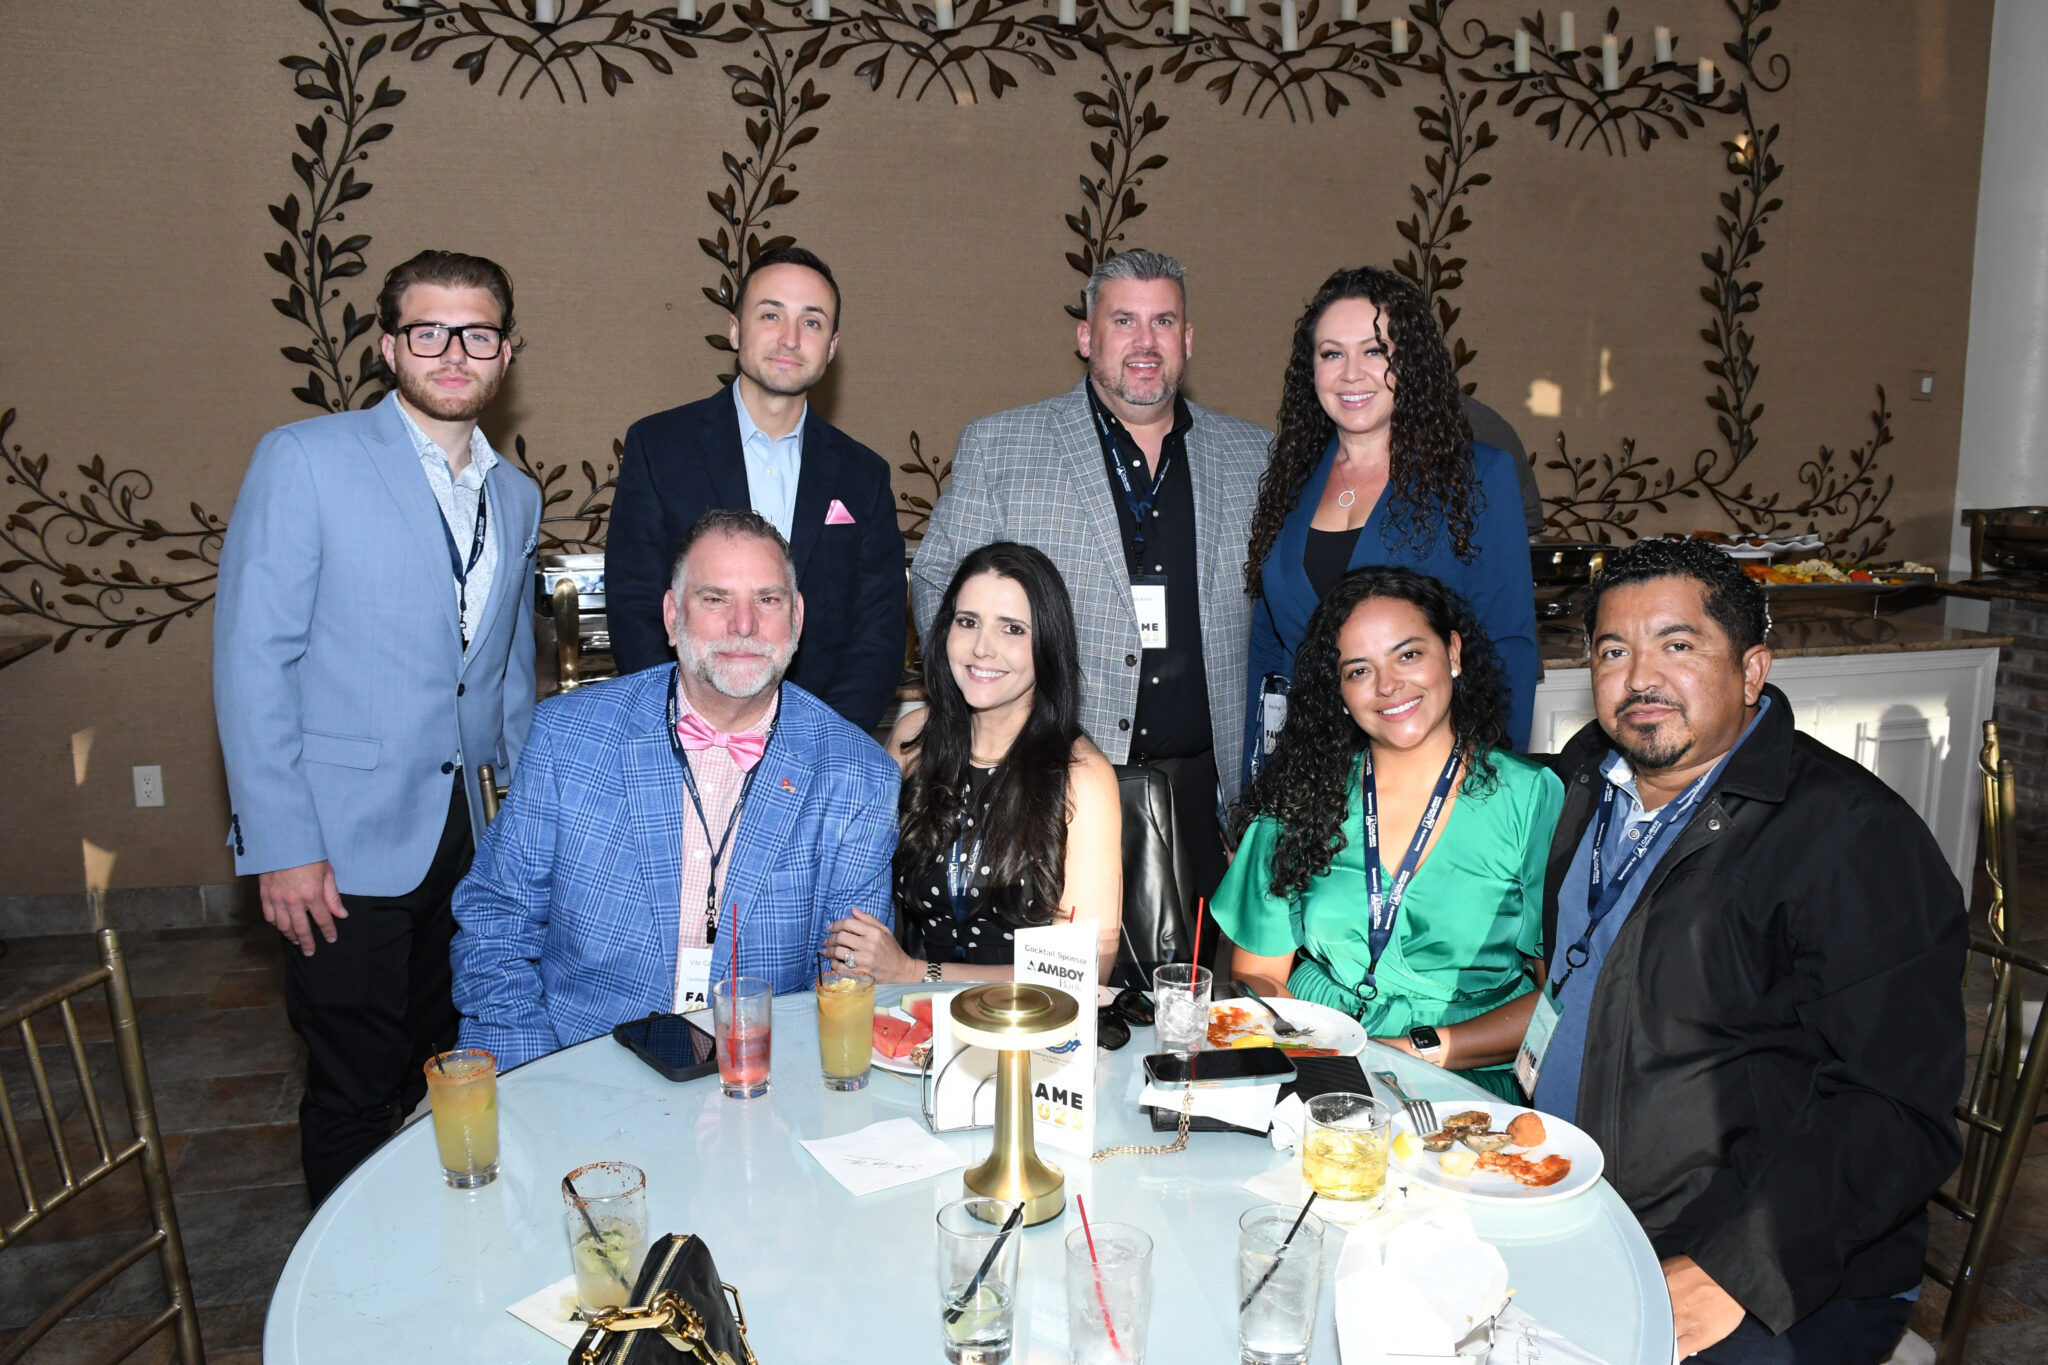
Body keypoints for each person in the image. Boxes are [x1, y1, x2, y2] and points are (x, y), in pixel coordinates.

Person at [1528, 537, 1964, 1363]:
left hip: (1770, 1254)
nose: (1640, 677)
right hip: (1581, 1199)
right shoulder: (1589, 773)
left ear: (1752, 670)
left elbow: (1895, 1107)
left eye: (1677, 645)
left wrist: (1730, 1271)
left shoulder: (1851, 837)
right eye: (1613, 651)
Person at [214, 249, 543, 1204]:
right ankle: (353, 1277)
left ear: (505, 352)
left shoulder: (516, 496)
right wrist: (283, 844)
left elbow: (506, 681)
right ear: (390, 347)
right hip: (339, 845)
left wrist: (523, 831)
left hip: (470, 843)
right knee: (355, 1086)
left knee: (449, 1067)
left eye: (476, 333)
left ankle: (441, 1255)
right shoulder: (304, 458)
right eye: (428, 332)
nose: (454, 352)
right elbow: (253, 661)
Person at [450, 509, 899, 1072]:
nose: (743, 624)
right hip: (577, 1066)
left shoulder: (857, 774)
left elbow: (847, 982)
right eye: (715, 599)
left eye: (767, 600)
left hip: (761, 1076)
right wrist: (535, 1080)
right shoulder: (570, 737)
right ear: (672, 615)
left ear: (797, 617)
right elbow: (495, 926)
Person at [911, 250, 1269, 946]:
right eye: (1123, 320)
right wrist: (986, 720)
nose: (1145, 341)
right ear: (1085, 336)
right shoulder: (1002, 446)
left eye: (1163, 321)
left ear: (1188, 339)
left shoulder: (1253, 457)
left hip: (1203, 800)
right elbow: (937, 590)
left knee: (1186, 992)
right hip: (1047, 791)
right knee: (1059, 991)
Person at [1214, 567, 1561, 1100]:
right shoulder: (1303, 797)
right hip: (1318, 1063)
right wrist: (1299, 1036)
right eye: (1358, 670)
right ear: (1339, 689)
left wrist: (1401, 1052)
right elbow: (1259, 973)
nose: (1386, 685)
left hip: (1464, 1077)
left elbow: (1558, 998)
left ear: (1453, 653)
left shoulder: (1531, 798)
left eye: (1408, 655)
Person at [1243, 267, 1538, 788]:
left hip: (1433, 773)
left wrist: (1490, 783)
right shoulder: (1290, 480)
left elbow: (1507, 643)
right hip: (1311, 775)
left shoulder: (1477, 476)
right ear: (1310, 369)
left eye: (1375, 351)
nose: (1352, 374)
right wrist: (1260, 782)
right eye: (1332, 354)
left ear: (1410, 363)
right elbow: (1269, 649)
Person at [606, 246, 906, 732]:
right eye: (771, 315)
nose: (790, 338)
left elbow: (878, 634)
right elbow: (636, 607)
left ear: (832, 346)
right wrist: (685, 735)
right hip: (682, 736)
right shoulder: (659, 448)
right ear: (735, 329)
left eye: (812, 322)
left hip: (819, 746)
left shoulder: (864, 475)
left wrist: (824, 745)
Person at [825, 542, 1123, 983]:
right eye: (968, 622)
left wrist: (916, 972)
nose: (982, 648)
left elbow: (1084, 971)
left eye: (1012, 629)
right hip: (909, 1016)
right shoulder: (913, 740)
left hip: (1031, 1018)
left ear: (1047, 645)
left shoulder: (1082, 776)